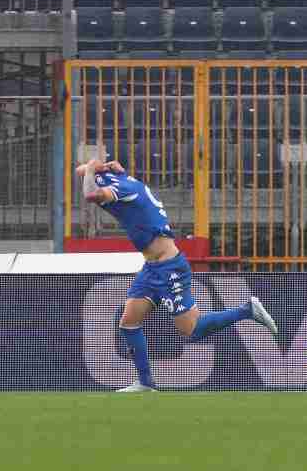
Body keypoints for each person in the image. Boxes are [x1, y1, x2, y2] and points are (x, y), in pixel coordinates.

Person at [76, 158, 278, 392]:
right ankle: (145, 383)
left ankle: (247, 310)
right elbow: (81, 171)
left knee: (191, 330)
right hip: (152, 268)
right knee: (129, 323)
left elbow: (90, 194)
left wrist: (93, 167)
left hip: (169, 266)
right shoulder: (119, 179)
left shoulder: (122, 189)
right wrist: (96, 166)